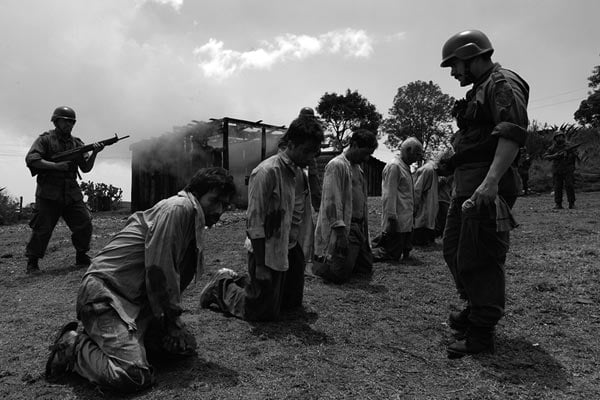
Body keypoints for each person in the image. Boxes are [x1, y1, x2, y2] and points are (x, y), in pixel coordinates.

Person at [44, 167, 236, 392]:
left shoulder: (191, 218)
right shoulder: (178, 209)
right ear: (197, 193)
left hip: (135, 302)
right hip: (106, 296)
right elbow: (159, 272)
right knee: (133, 375)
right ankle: (73, 346)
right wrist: (172, 321)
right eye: (214, 200)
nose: (219, 210)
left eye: (224, 205)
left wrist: (169, 324)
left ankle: (116, 341)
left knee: (182, 348)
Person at [439, 29, 529, 358]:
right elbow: (479, 138)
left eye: (455, 65)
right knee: (454, 250)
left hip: (484, 186)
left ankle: (481, 332)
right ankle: (475, 306)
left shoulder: (501, 83)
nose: (453, 72)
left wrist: (490, 182)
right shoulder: (480, 88)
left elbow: (512, 133)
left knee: (480, 257)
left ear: (471, 55)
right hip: (466, 184)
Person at [199, 115, 324, 321]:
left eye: (314, 152)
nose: (311, 157)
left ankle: (247, 281)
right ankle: (221, 285)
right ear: (290, 144)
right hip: (266, 250)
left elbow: (300, 213)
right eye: (306, 151)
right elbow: (255, 224)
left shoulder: (299, 173)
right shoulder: (266, 172)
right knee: (261, 311)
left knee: (291, 304)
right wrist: (260, 265)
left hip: (290, 247)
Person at [24, 106, 105, 274]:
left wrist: (95, 152)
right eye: (66, 121)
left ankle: (81, 255)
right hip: (48, 193)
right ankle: (32, 262)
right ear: (56, 121)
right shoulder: (45, 140)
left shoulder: (77, 143)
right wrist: (56, 166)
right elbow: (32, 159)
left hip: (71, 192)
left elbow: (86, 168)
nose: (69, 124)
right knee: (42, 228)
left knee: (84, 223)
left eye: (72, 122)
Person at [311, 129, 378, 283]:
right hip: (346, 227)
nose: (366, 158)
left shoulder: (357, 168)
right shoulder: (336, 165)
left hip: (359, 226)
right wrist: (341, 233)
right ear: (354, 145)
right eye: (365, 153)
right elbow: (331, 201)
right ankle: (319, 267)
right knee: (339, 275)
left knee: (365, 268)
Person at [371, 137, 423, 263]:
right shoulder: (395, 166)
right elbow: (389, 194)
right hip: (397, 218)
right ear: (408, 150)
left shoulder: (404, 166)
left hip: (406, 218)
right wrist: (392, 217)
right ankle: (365, 253)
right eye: (417, 154)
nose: (418, 158)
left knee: (400, 250)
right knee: (390, 253)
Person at [544, 131, 577, 209]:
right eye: (558, 137)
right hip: (557, 170)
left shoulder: (569, 146)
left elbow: (575, 155)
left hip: (568, 169)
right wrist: (555, 155)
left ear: (563, 137)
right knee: (557, 187)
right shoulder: (552, 148)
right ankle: (558, 204)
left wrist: (568, 154)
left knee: (570, 185)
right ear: (555, 138)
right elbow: (545, 156)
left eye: (561, 136)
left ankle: (571, 203)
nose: (560, 138)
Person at [412, 160, 439, 246]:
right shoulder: (428, 170)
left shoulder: (433, 171)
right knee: (421, 220)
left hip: (428, 211)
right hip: (422, 211)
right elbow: (417, 190)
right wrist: (414, 207)